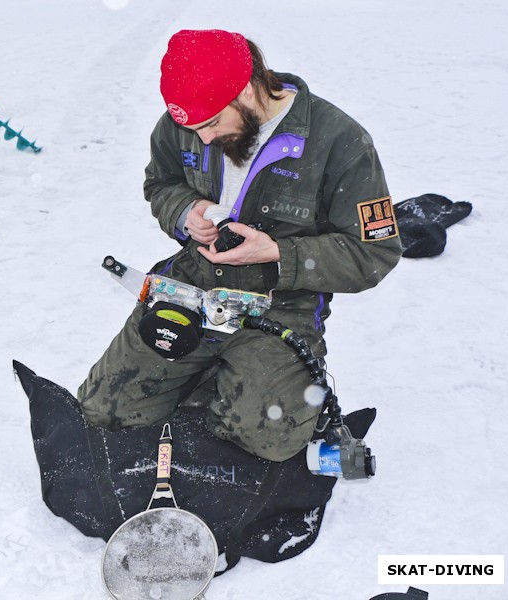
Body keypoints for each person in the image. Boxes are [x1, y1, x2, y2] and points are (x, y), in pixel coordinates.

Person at [77, 29, 401, 462]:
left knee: (266, 440)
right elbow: (160, 182)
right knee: (103, 411)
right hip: (193, 286)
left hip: (279, 304)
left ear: (247, 90)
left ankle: (251, 375)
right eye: (192, 128)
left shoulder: (341, 142)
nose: (203, 138)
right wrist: (185, 212)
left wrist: (277, 254)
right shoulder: (185, 123)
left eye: (211, 124)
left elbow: (374, 254)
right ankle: (210, 371)